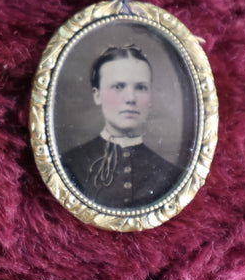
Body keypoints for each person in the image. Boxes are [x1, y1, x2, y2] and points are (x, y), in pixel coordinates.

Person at [60, 45, 182, 208]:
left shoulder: (169, 174)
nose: (130, 98)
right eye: (118, 86)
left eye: (140, 87)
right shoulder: (70, 165)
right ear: (97, 95)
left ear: (151, 96)